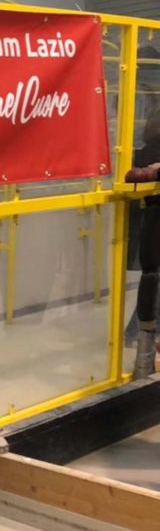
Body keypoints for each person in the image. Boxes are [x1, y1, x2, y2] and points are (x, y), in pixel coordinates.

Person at [127, 116, 160, 378]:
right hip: (152, 226)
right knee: (152, 280)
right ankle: (144, 351)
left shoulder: (143, 153)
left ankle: (142, 350)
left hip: (149, 227)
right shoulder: (147, 154)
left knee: (151, 279)